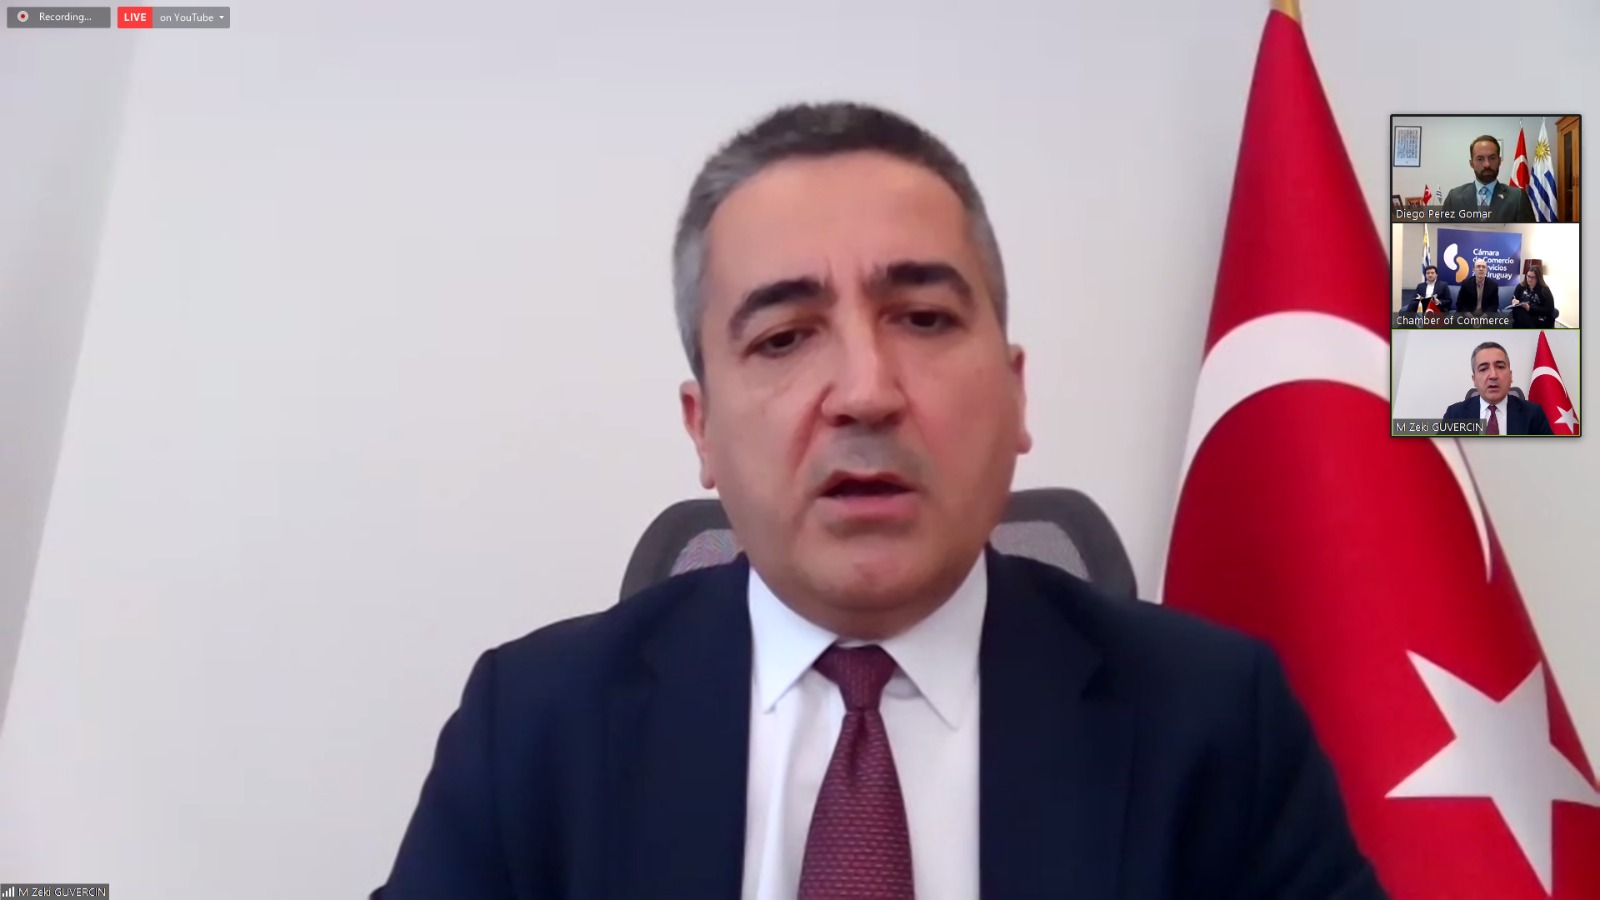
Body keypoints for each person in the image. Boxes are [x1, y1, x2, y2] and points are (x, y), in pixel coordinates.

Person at [372, 102, 1384, 899]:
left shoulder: (1213, 719)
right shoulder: (532, 729)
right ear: (702, 430)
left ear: (1016, 396)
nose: (864, 391)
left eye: (924, 318)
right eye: (782, 338)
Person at [1440, 341, 1554, 435]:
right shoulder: (1455, 415)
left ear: (1511, 376)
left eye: (1500, 367)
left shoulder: (1534, 414)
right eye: (1483, 369)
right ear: (1474, 380)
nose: (1493, 375)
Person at [1440, 136, 1536, 223]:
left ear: (1499, 161)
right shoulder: (1454, 198)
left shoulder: (1517, 197)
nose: (1487, 164)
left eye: (1492, 158)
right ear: (1471, 163)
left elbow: (1528, 233)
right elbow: (1443, 232)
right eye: (1480, 159)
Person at [1509, 264, 1557, 328]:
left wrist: (1530, 308)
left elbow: (1549, 309)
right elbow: (1514, 298)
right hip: (1523, 314)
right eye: (1528, 276)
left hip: (1538, 316)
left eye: (1532, 277)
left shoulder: (1544, 290)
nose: (1530, 279)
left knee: (1520, 322)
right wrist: (1514, 301)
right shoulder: (1520, 286)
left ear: (1538, 278)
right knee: (1517, 311)